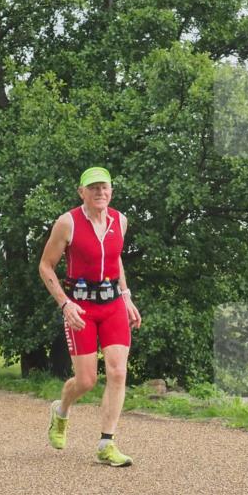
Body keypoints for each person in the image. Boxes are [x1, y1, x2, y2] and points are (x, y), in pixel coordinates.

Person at [38, 166, 142, 466]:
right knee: (85, 381)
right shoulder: (66, 223)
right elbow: (46, 266)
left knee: (118, 372)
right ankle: (61, 410)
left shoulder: (120, 221)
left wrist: (126, 296)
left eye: (104, 187)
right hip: (80, 307)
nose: (100, 192)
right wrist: (65, 305)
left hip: (112, 306)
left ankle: (106, 443)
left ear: (111, 190)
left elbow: (115, 258)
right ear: (81, 192)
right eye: (93, 187)